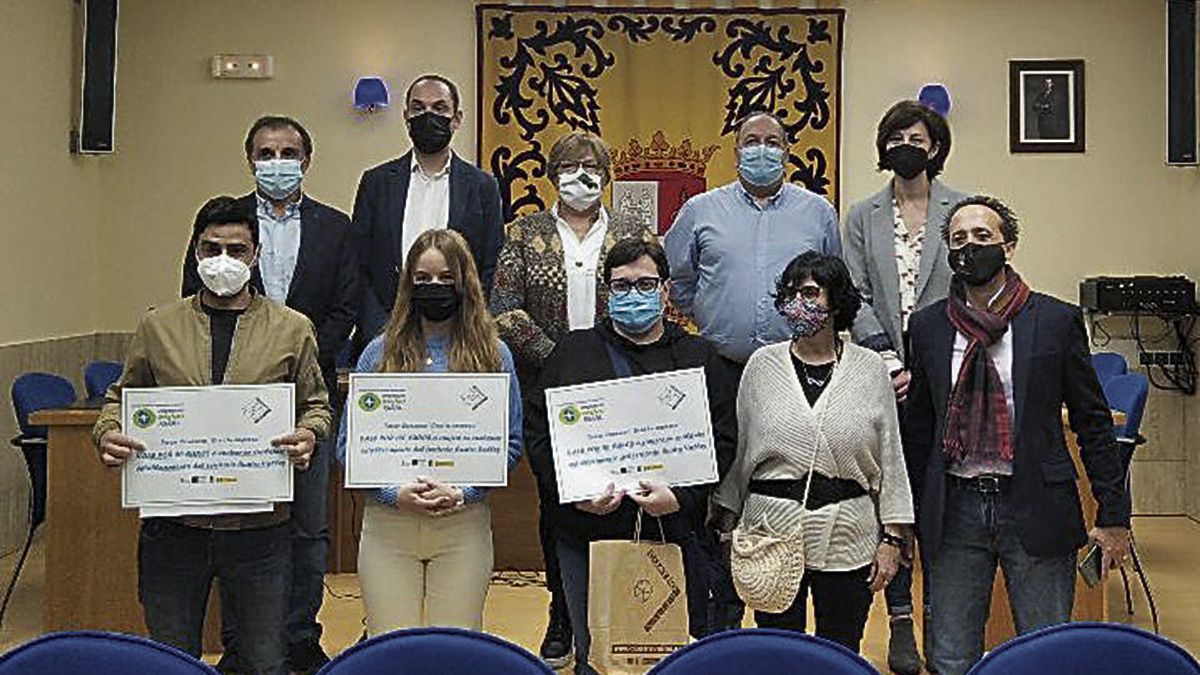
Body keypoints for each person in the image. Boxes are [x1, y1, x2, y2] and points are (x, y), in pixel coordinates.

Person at [94, 196, 333, 675]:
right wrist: (108, 431)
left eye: (236, 249)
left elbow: (317, 405)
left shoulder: (292, 328)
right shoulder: (158, 326)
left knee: (265, 661)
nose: (224, 259)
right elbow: (119, 398)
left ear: (255, 256)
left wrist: (309, 434)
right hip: (174, 528)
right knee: (173, 658)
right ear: (196, 253)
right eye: (212, 248)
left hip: (260, 530)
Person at [903, 195, 1131, 675]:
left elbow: (1092, 421)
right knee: (949, 656)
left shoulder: (1054, 320)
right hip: (956, 510)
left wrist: (1113, 513)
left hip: (1035, 504)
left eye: (982, 236)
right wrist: (904, 516)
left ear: (1008, 245)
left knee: (1044, 654)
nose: (969, 247)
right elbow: (918, 432)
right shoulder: (927, 327)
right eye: (958, 239)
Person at [179, 115, 357, 674]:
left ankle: (300, 636)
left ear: (306, 161)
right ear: (249, 158)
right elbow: (193, 296)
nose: (276, 161)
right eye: (265, 152)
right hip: (231, 405)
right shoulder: (222, 223)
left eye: (287, 152)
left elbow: (347, 309)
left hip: (308, 400)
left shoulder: (336, 227)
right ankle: (243, 644)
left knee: (308, 531)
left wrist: (291, 354)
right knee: (240, 529)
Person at [525, 239, 738, 675]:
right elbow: (539, 435)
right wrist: (576, 495)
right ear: (607, 294)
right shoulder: (573, 352)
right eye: (621, 286)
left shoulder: (698, 357)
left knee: (670, 652)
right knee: (596, 654)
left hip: (672, 529)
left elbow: (723, 439)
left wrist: (682, 495)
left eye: (645, 284)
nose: (633, 294)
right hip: (586, 530)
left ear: (665, 292)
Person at [490, 131, 653, 668]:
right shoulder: (524, 231)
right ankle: (561, 611)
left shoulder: (632, 232)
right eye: (568, 165)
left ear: (607, 174)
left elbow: (649, 296)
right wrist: (562, 356)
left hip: (624, 387)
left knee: (624, 497)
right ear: (551, 173)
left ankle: (626, 614)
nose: (579, 174)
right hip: (549, 386)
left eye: (590, 166)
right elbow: (506, 310)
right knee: (558, 503)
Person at [714, 251, 913, 654]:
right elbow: (743, 449)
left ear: (836, 301)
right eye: (789, 294)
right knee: (777, 651)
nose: (797, 303)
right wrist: (725, 520)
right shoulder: (761, 365)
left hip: (848, 532)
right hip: (770, 527)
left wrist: (892, 538)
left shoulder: (871, 368)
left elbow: (891, 455)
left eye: (809, 292)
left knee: (839, 651)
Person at [337, 228, 522, 635]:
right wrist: (392, 493)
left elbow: (510, 444)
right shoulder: (378, 353)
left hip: (463, 522)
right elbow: (347, 447)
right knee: (390, 648)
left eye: (445, 278)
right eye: (423, 279)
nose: (434, 287)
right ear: (408, 284)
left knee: (454, 651)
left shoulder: (494, 354)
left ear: (465, 282)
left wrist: (463, 491)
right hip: (388, 523)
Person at [841, 99, 967, 674]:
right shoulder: (862, 215)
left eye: (917, 137)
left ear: (935, 147)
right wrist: (888, 358)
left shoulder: (961, 207)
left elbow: (973, 287)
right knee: (892, 495)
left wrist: (936, 360)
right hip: (882, 370)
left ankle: (941, 616)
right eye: (896, 136)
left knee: (938, 496)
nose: (906, 145)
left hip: (952, 372)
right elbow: (855, 293)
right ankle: (898, 622)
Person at [664, 110, 841, 372]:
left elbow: (833, 284)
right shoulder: (699, 211)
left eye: (772, 143)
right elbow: (678, 280)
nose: (761, 149)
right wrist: (710, 313)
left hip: (797, 364)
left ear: (786, 153)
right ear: (736, 154)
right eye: (751, 142)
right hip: (720, 363)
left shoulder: (819, 212)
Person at [352, 73, 504, 350]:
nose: (428, 115)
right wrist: (382, 333)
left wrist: (469, 326)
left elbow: (490, 266)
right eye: (418, 108)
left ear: (456, 119)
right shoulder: (376, 182)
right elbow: (358, 264)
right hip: (384, 337)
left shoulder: (483, 186)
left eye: (439, 108)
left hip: (460, 338)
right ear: (406, 116)